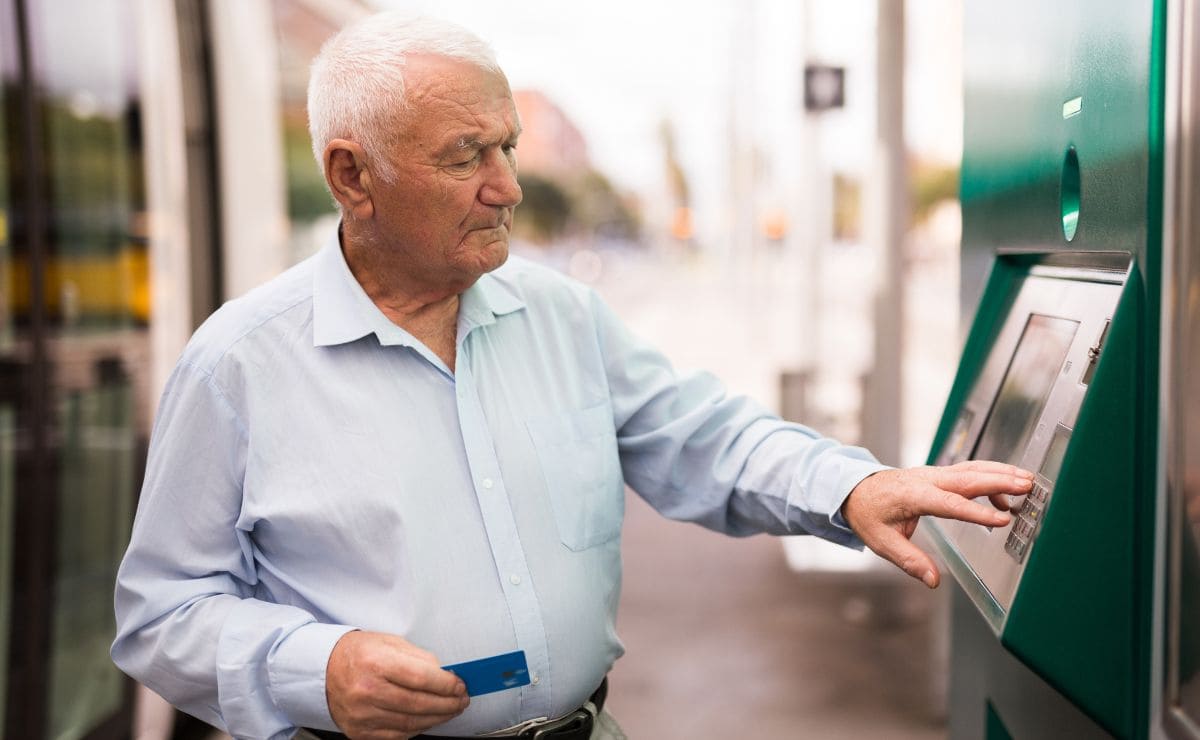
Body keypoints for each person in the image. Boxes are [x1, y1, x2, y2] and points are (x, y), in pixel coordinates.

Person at [111, 12, 1032, 740]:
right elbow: (160, 614)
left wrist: (855, 484)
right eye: (466, 155)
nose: (507, 185)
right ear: (354, 177)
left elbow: (705, 439)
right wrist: (314, 668)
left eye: (507, 146)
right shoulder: (239, 364)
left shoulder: (560, 314)